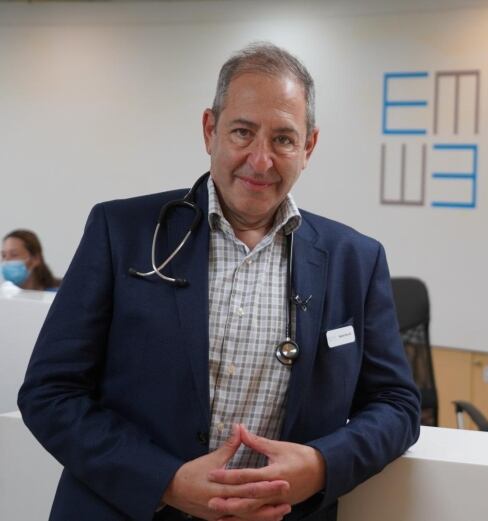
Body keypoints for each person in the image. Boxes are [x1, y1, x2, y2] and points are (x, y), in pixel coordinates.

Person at [18, 42, 420, 521]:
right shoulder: (121, 232)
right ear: (210, 130)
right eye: (243, 132)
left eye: (284, 139)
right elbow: (50, 393)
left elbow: (397, 406)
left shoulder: (355, 260)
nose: (261, 159)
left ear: (308, 147)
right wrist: (164, 480)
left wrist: (319, 465)